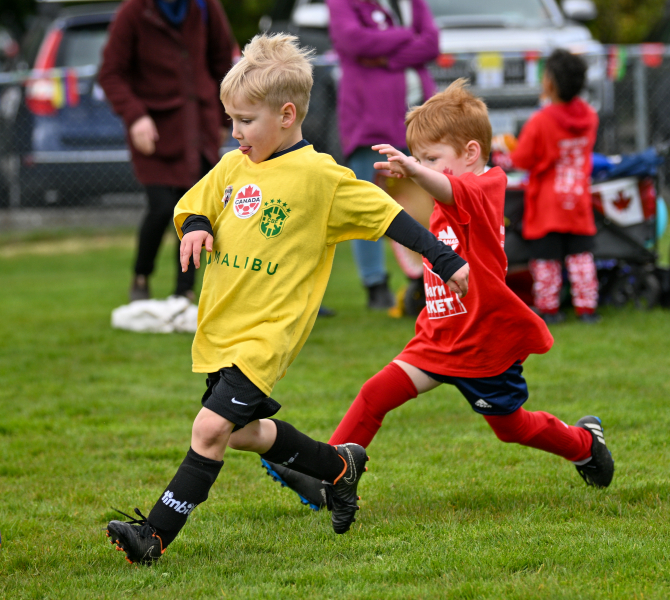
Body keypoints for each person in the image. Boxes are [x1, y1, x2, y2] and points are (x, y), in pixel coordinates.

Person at [104, 34, 469, 565]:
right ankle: (340, 469)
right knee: (244, 434)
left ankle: (153, 536)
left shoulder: (320, 178)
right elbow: (192, 206)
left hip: (267, 335)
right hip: (222, 329)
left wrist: (445, 258)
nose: (236, 133)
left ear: (286, 114)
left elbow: (387, 216)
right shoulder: (233, 166)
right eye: (231, 119)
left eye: (245, 121)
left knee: (209, 429)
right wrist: (196, 228)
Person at [263, 80, 613, 514]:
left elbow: (450, 189)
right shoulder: (444, 192)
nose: (423, 166)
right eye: (421, 157)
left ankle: (584, 444)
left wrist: (414, 169)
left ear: (469, 153)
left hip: (484, 346)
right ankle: (328, 474)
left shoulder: (487, 186)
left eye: (432, 158)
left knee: (510, 428)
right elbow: (421, 202)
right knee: (375, 394)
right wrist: (407, 176)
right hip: (438, 338)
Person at [97, 0, 236, 302]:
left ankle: (183, 291)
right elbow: (111, 73)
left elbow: (223, 62)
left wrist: (226, 116)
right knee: (161, 209)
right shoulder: (134, 12)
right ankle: (141, 276)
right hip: (154, 131)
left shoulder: (205, 7)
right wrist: (135, 116)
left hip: (199, 128)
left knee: (195, 213)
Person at [328, 0, 439, 309]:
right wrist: (405, 36)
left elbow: (431, 42)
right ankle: (375, 284)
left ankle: (425, 279)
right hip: (370, 121)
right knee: (366, 203)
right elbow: (354, 41)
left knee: (424, 202)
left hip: (419, 120)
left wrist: (386, 57)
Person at [511, 50, 600, 325]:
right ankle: (587, 309)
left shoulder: (540, 121)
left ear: (549, 83)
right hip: (578, 199)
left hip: (548, 203)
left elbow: (521, 159)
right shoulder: (590, 117)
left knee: (546, 260)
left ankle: (549, 310)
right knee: (581, 257)